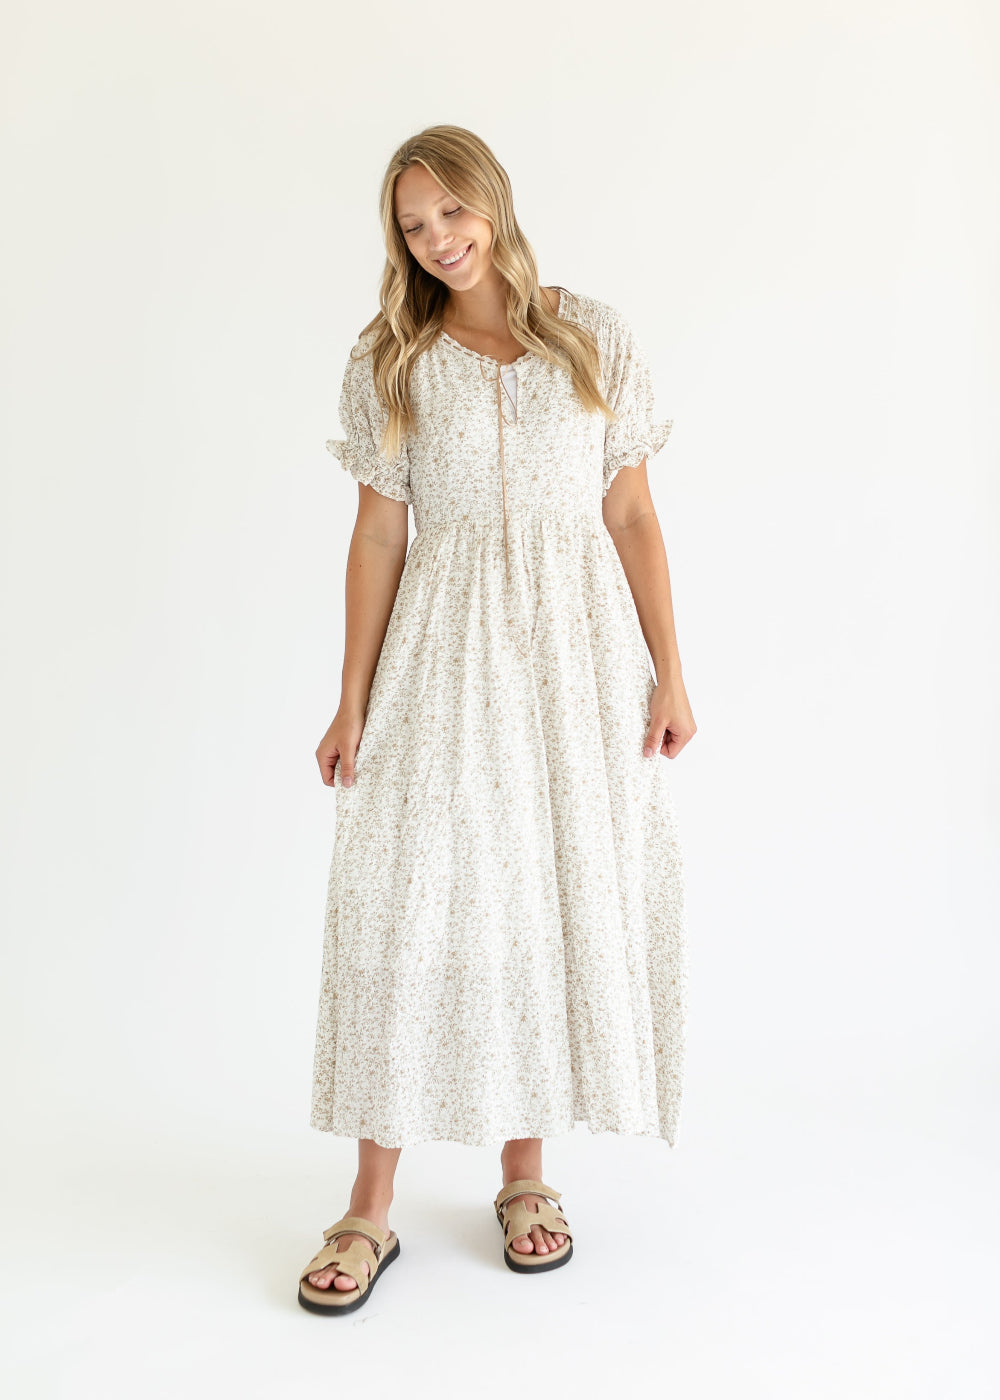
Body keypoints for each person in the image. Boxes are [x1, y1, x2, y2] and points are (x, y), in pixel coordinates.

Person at [297, 125, 696, 1315]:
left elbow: (631, 513)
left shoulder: (594, 334)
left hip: (578, 656)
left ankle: (525, 1176)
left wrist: (671, 669)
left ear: (493, 201)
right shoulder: (394, 359)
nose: (439, 239)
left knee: (543, 892)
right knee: (409, 898)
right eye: (414, 226)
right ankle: (369, 1203)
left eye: (451, 212)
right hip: (442, 649)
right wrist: (351, 695)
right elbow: (380, 532)